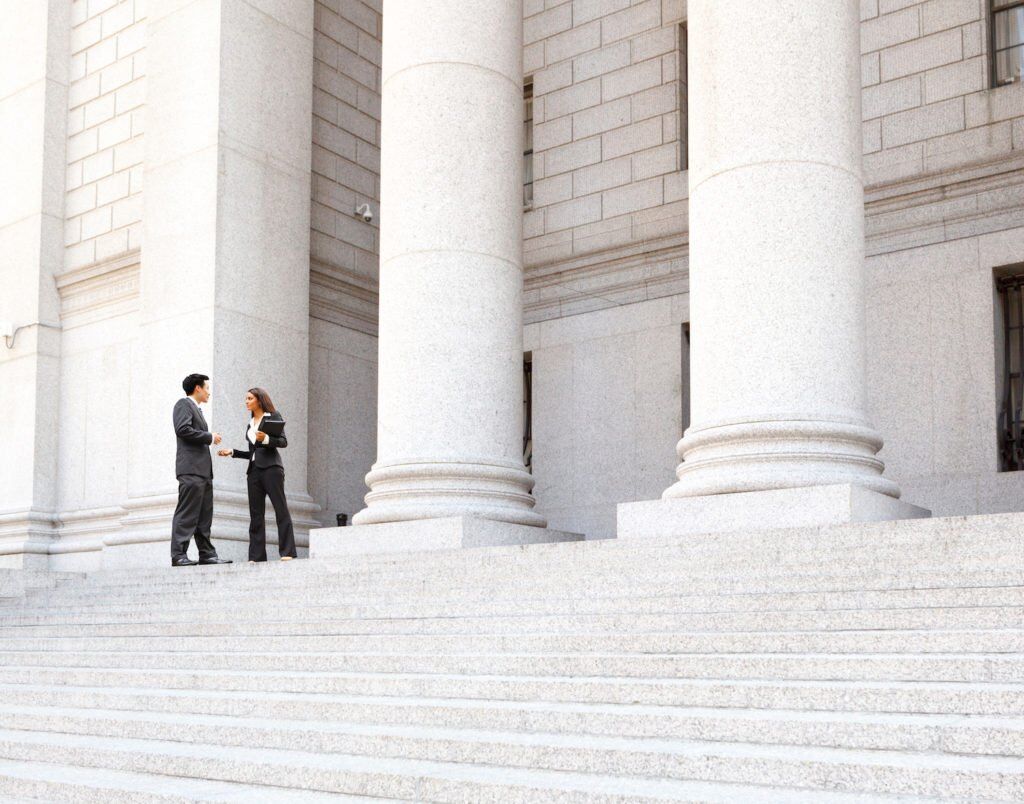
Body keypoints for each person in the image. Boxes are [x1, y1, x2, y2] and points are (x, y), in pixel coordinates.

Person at [218, 387, 297, 562]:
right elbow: (252, 453)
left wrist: (266, 439)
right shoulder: (250, 423)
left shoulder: (273, 416)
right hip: (253, 471)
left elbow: (283, 442)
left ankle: (288, 552)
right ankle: (257, 556)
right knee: (256, 514)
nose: (246, 401)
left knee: (280, 509)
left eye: (249, 398)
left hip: (271, 469)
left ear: (259, 400)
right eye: (246, 399)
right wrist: (232, 452)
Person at [170, 374, 232, 567]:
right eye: (206, 388)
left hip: (203, 472)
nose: (208, 392)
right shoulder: (183, 404)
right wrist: (209, 437)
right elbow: (183, 430)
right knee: (187, 513)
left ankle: (207, 554)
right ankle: (179, 555)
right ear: (197, 388)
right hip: (191, 470)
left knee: (204, 516)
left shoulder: (197, 409)